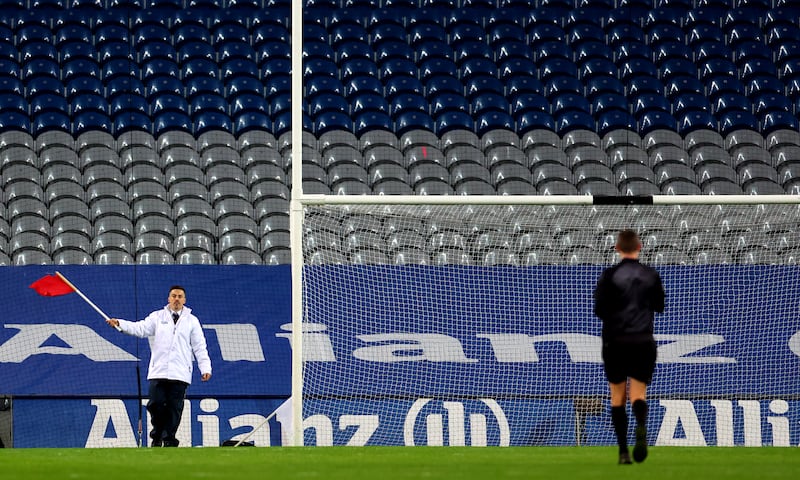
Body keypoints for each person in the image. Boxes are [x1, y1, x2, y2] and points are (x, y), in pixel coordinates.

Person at [107, 285, 212, 447]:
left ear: (184, 300)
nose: (176, 299)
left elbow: (200, 346)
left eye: (180, 296)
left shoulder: (192, 321)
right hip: (159, 371)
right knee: (155, 404)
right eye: (174, 296)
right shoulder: (157, 316)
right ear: (168, 298)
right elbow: (140, 328)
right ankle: (156, 436)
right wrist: (120, 323)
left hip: (180, 372)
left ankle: (169, 439)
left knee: (174, 408)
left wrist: (205, 368)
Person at [594, 230, 665, 465]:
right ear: (640, 246)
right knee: (638, 394)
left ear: (617, 248)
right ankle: (641, 427)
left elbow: (599, 311)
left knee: (617, 397)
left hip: (615, 341)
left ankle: (623, 451)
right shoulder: (651, 275)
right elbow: (660, 305)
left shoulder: (610, 275)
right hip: (642, 341)